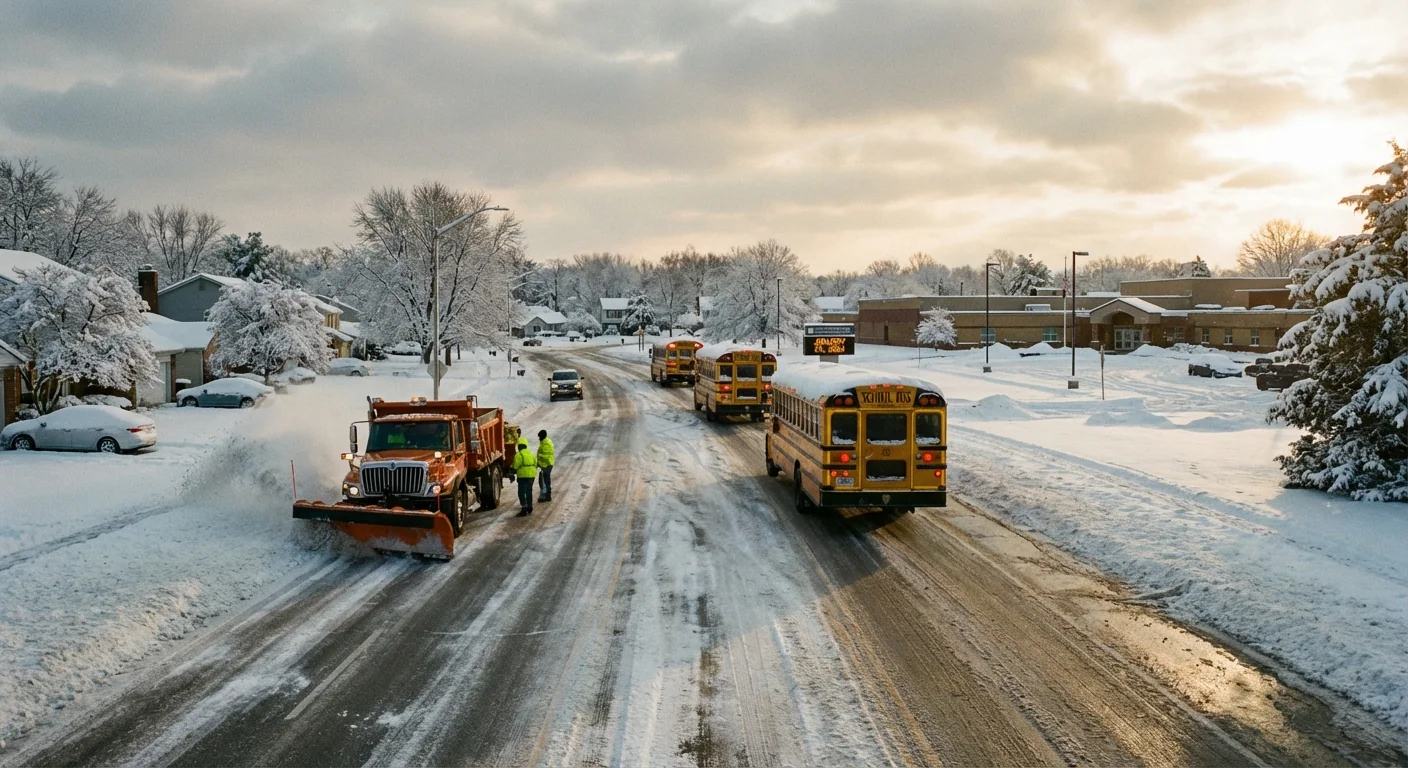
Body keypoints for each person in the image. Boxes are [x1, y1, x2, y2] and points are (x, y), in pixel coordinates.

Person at [511, 436, 538, 516]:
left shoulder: (519, 454)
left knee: (521, 492)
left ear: (519, 446)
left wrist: (512, 471)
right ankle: (530, 507)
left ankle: (524, 509)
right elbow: (535, 464)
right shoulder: (531, 454)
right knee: (529, 491)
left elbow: (515, 466)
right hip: (532, 475)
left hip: (523, 476)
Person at [536, 429, 555, 502]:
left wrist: (539, 456)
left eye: (539, 437)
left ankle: (544, 496)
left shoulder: (546, 444)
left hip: (546, 465)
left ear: (542, 436)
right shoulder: (545, 442)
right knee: (545, 480)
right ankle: (547, 496)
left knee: (544, 481)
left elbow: (546, 456)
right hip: (546, 465)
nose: (539, 439)